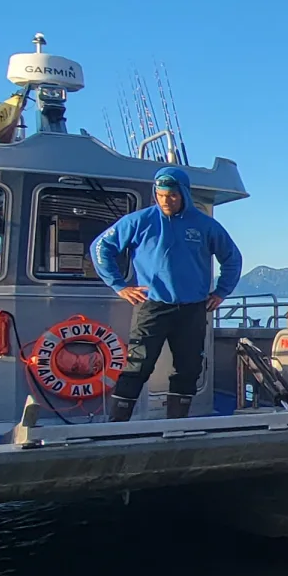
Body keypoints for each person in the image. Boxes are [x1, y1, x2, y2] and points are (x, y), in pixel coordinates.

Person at [93, 166, 243, 421]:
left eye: (172, 195)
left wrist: (221, 291)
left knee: (189, 368)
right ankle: (115, 426)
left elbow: (232, 258)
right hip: (152, 306)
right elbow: (101, 246)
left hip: (193, 308)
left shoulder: (206, 225)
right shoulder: (139, 221)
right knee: (138, 364)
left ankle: (176, 425)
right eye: (161, 195)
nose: (166, 200)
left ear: (183, 193)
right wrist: (119, 285)